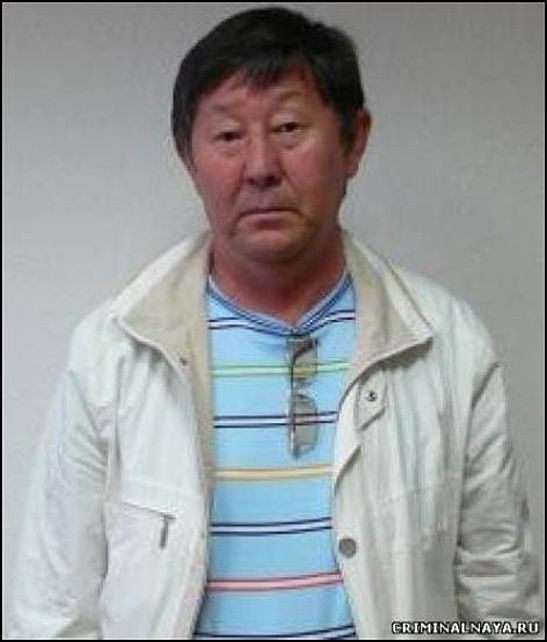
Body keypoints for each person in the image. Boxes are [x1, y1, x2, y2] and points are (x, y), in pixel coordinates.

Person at [10, 6, 541, 640]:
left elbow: (501, 603)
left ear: (354, 141)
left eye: (289, 127)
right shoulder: (113, 351)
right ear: (187, 158)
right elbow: (54, 611)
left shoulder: (447, 343)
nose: (260, 166)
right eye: (228, 136)